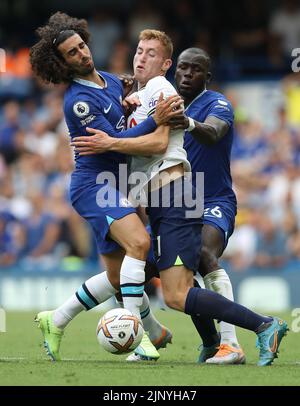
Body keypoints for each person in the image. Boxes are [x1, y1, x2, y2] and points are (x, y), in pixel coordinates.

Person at [73, 30, 289, 367]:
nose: (187, 75)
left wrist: (113, 141)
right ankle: (206, 342)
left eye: (151, 53)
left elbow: (194, 136)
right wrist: (126, 97)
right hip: (170, 198)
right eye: (139, 51)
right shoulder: (151, 95)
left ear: (168, 65)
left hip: (198, 195)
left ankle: (248, 334)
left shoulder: (192, 97)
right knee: (150, 274)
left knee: (189, 272)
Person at [30, 12, 182, 361]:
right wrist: (155, 121)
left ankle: (56, 319)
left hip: (117, 185)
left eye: (81, 45)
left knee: (117, 276)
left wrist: (130, 98)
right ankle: (141, 336)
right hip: (94, 185)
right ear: (62, 64)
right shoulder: (77, 102)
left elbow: (122, 116)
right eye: (72, 53)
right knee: (140, 242)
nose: (82, 54)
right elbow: (114, 141)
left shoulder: (113, 82)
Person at [171, 47, 244, 364]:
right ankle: (210, 341)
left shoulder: (218, 103)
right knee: (167, 271)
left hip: (215, 200)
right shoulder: (165, 107)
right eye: (183, 68)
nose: (187, 74)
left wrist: (185, 122)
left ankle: (231, 344)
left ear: (207, 77)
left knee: (203, 253)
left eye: (195, 69)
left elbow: (213, 133)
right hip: (179, 205)